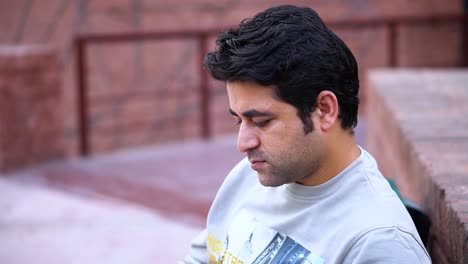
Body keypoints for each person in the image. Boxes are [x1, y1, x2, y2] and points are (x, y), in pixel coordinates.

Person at [183, 4, 431, 264]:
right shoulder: (247, 176)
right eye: (239, 121)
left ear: (324, 110)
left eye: (262, 121)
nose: (243, 144)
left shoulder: (380, 242)